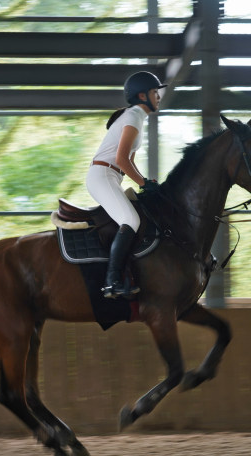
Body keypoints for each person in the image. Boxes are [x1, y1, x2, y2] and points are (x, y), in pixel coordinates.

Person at [86, 71, 166, 299]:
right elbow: (121, 159)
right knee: (131, 220)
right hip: (103, 176)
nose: (158, 96)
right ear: (142, 95)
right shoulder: (133, 118)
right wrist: (142, 183)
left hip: (110, 176)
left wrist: (145, 182)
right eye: (154, 92)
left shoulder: (135, 116)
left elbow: (127, 160)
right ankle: (112, 281)